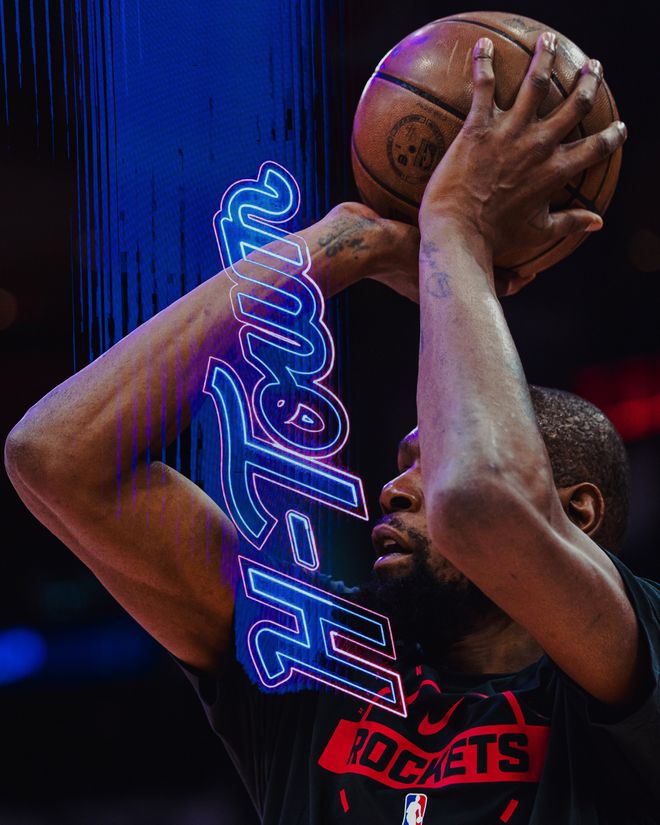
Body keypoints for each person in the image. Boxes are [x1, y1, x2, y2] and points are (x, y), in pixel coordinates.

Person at [5, 31, 658, 824]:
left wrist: (455, 227)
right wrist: (340, 247)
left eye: (433, 455)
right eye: (407, 459)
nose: (393, 488)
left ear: (578, 511)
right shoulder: (318, 655)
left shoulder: (636, 657)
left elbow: (480, 500)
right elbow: (55, 454)